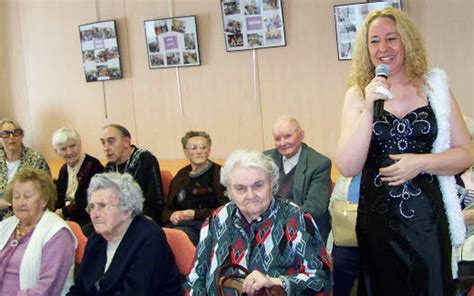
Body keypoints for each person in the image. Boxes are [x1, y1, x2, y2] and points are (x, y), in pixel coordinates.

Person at [335, 7, 474, 295]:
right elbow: (348, 166)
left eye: (391, 38)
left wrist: (421, 163)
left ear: (406, 41)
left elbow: (466, 153)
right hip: (378, 225)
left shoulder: (435, 88)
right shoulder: (358, 94)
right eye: (374, 41)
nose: (383, 48)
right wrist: (369, 109)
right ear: (366, 48)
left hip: (428, 222)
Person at [185, 149, 332, 295]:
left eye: (258, 185)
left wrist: (275, 282)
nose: (251, 195)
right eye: (240, 188)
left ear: (272, 183)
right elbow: (195, 279)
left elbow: (321, 280)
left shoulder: (296, 219)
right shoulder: (216, 220)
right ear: (229, 191)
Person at [67, 172, 181, 295]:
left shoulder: (149, 239)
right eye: (92, 207)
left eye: (102, 206)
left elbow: (136, 292)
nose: (95, 214)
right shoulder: (96, 239)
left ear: (127, 210)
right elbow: (79, 288)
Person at [0, 168, 76, 295]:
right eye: (16, 197)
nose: (20, 202)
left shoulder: (58, 234)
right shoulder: (5, 225)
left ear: (44, 200)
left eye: (27, 196)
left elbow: (47, 289)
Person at [264, 115, 332, 243]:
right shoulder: (265, 159)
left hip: (304, 230)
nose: (283, 143)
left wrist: (281, 221)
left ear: (301, 135)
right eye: (277, 139)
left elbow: (315, 207)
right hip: (270, 227)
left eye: (288, 136)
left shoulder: (319, 164)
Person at [161, 131, 228, 245]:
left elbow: (226, 209)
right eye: (193, 148)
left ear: (209, 150)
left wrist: (195, 214)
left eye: (203, 147)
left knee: (175, 239)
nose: (199, 151)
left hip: (206, 226)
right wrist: (171, 215)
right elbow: (166, 209)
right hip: (178, 225)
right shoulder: (181, 175)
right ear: (186, 152)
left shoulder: (220, 173)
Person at [100, 124, 164, 224]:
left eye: (111, 142)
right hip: (115, 220)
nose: (106, 148)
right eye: (103, 143)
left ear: (126, 142)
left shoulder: (144, 159)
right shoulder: (109, 167)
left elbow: (155, 202)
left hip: (142, 220)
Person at [52, 127, 104, 229]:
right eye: (63, 149)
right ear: (56, 151)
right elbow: (60, 199)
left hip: (88, 219)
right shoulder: (63, 170)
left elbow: (89, 202)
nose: (69, 152)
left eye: (72, 146)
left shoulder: (93, 166)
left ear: (79, 144)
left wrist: (64, 211)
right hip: (67, 219)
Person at [0, 119, 51, 220]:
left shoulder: (35, 159)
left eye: (16, 132)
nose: (11, 137)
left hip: (27, 217)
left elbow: (46, 193)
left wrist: (9, 203)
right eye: (5, 134)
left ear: (21, 136)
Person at [329, 174, 361, 296]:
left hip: (379, 240)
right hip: (346, 239)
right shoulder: (348, 171)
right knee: (341, 264)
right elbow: (333, 206)